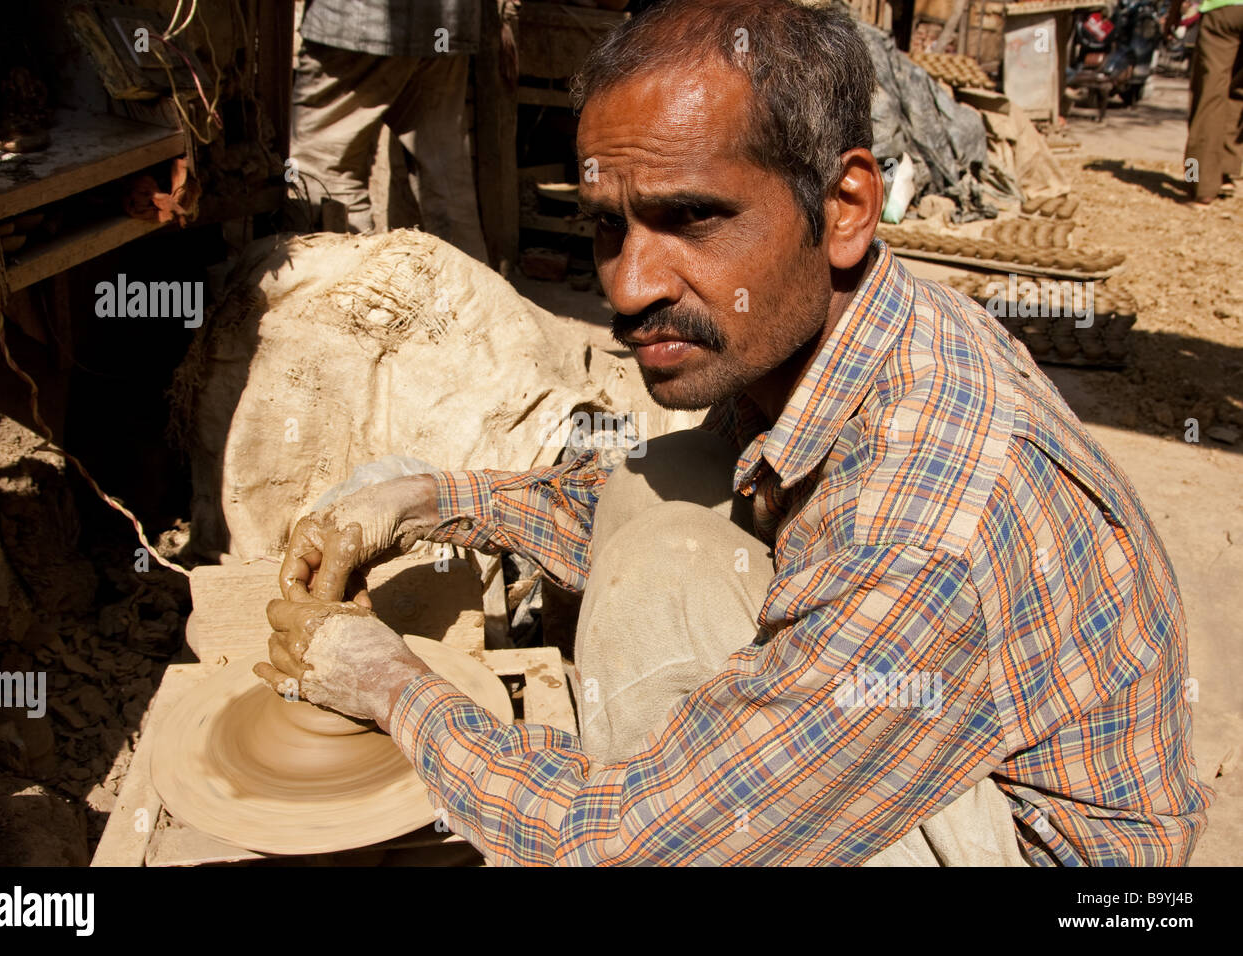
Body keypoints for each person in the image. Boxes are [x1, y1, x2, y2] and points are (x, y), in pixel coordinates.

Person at [255, 0, 1210, 866]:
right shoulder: (824, 330)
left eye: (692, 218)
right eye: (608, 229)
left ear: (844, 208)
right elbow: (630, 492)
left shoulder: (926, 523)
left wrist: (391, 687)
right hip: (942, 730)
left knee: (662, 579)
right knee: (665, 475)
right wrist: (427, 500)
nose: (629, 288)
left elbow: (627, 843)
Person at [290, 0, 489, 257]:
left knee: (323, 166)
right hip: (445, 28)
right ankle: (470, 294)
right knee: (445, 171)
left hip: (358, 23)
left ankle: (351, 291)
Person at [1167, 0, 1243, 203]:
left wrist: (1174, 13)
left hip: (1222, 11)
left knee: (1208, 98)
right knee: (1237, 93)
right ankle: (1226, 173)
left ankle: (1198, 181)